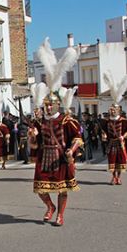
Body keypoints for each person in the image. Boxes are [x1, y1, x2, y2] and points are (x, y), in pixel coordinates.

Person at [28, 92, 82, 226]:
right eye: (46, 105)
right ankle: (50, 206)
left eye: (51, 105)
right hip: (44, 156)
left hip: (60, 157)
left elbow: (77, 138)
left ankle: (60, 215)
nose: (49, 108)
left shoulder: (66, 120)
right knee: (40, 189)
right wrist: (33, 136)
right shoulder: (39, 122)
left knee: (62, 189)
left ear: (58, 105)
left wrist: (72, 150)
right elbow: (35, 144)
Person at [101, 104, 127, 185]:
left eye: (114, 110)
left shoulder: (124, 121)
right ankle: (114, 177)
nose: (112, 111)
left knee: (120, 161)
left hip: (120, 144)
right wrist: (104, 135)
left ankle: (119, 177)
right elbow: (103, 131)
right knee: (112, 161)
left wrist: (123, 137)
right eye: (111, 110)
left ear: (118, 111)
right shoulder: (106, 121)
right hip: (111, 143)